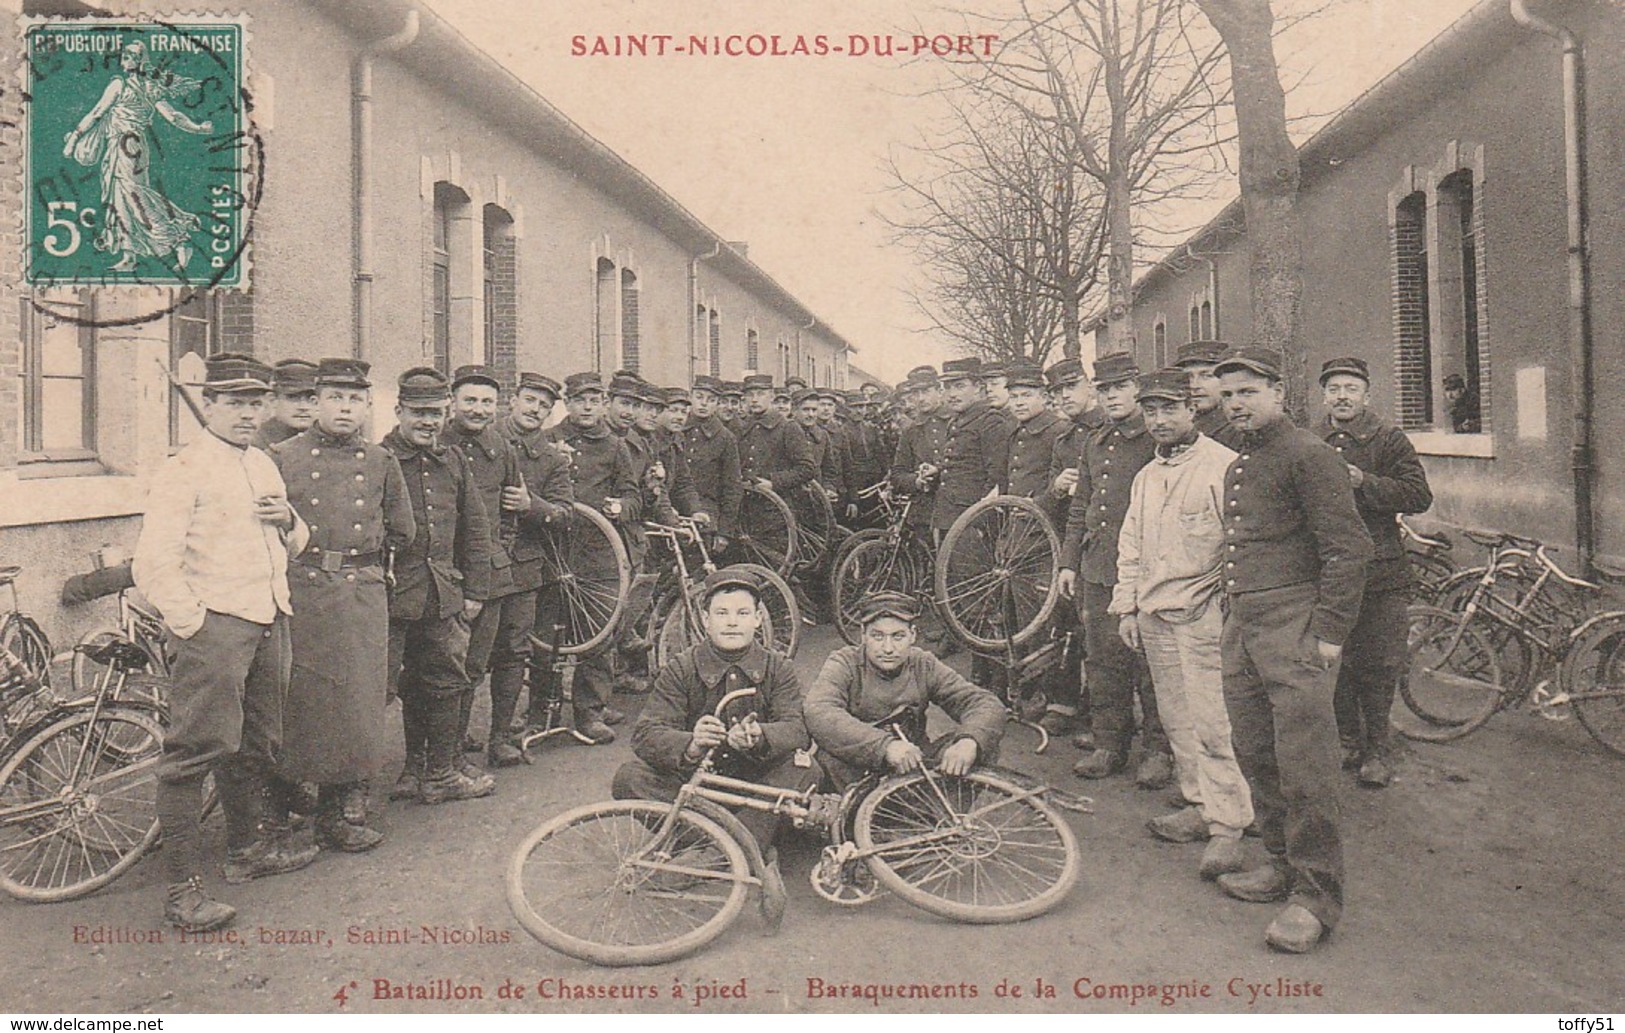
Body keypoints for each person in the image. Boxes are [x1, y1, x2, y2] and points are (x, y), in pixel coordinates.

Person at [134, 353, 317, 932]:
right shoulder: (183, 469)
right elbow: (152, 564)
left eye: (255, 402)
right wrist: (194, 623)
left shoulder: (263, 462)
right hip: (217, 625)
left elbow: (296, 544)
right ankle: (183, 892)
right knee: (194, 752)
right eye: (234, 402)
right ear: (208, 405)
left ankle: (246, 851)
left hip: (270, 618)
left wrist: (288, 519)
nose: (246, 413)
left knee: (256, 741)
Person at [1211, 346, 1373, 954]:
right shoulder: (1239, 463)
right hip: (1244, 625)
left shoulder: (1309, 455)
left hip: (1294, 625)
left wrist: (1329, 634)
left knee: (1306, 763)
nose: (1236, 404)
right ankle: (1280, 864)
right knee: (1255, 748)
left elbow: (1347, 550)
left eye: (1247, 392)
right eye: (1227, 395)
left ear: (1279, 393)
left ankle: (1315, 896)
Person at [1107, 369, 1252, 880]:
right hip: (1154, 616)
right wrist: (1127, 607)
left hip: (1204, 616)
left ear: (1193, 410)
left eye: (1170, 408)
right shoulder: (1147, 475)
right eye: (1151, 411)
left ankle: (1229, 826)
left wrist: (1221, 608)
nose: (1160, 420)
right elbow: (1131, 546)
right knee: (1176, 720)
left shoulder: (1222, 466)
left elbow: (1240, 546)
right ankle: (1198, 804)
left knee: (1215, 723)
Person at [269, 358, 415, 853]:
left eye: (354, 399)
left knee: (357, 703)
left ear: (367, 405)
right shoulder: (281, 456)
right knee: (299, 699)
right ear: (316, 403)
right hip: (300, 589)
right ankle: (286, 802)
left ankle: (340, 811)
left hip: (359, 591)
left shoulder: (380, 461)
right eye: (334, 398)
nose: (344, 408)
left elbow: (404, 529)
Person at [613, 567, 821, 889]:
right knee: (630, 778)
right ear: (705, 620)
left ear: (757, 620)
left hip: (758, 787)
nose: (732, 622)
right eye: (722, 613)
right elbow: (646, 733)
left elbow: (797, 729)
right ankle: (744, 847)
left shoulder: (778, 668)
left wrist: (760, 737)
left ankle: (713, 855)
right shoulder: (681, 668)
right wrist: (691, 743)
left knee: (805, 768)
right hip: (700, 791)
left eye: (742, 613)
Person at [380, 368, 497, 804]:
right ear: (399, 412)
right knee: (393, 687)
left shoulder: (452, 460)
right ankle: (412, 769)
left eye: (435, 413)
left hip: (442, 594)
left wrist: (474, 591)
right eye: (418, 413)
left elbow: (476, 529)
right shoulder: (379, 459)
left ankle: (441, 772)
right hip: (392, 597)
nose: (427, 421)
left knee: (447, 680)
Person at [1317, 357, 1433, 787]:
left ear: (1367, 395)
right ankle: (1347, 739)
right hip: (1330, 573)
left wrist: (1363, 481)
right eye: (1334, 389)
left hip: (1382, 571)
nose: (1342, 396)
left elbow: (1419, 495)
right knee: (1337, 658)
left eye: (1350, 388)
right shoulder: (1312, 440)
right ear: (1323, 396)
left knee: (1380, 661)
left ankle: (1378, 747)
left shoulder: (1388, 439)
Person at [1058, 352, 1170, 788]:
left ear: (1137, 388)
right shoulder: (1097, 441)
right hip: (1099, 567)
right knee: (1103, 659)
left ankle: (1158, 750)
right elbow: (1082, 507)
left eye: (1120, 387)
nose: (1112, 397)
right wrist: (1070, 562)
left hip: (1147, 569)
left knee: (1150, 663)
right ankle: (1110, 743)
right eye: (1104, 389)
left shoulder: (1156, 440)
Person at [804, 592, 1006, 792]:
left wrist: (969, 741)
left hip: (911, 764)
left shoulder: (923, 664)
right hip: (856, 767)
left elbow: (983, 702)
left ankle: (934, 817)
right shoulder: (845, 662)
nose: (888, 648)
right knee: (830, 758)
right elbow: (819, 710)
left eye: (898, 636)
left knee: (981, 744)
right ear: (863, 635)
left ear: (913, 635)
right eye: (878, 636)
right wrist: (885, 747)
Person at [445, 365, 540, 769]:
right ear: (453, 402)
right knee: (454, 664)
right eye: (470, 400)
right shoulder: (437, 440)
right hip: (445, 568)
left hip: (490, 569)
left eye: (486, 402)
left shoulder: (501, 447)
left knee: (497, 655)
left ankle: (500, 737)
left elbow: (511, 509)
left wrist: (498, 551)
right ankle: (447, 749)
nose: (478, 410)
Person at [544, 372, 640, 743]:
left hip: (599, 552)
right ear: (567, 404)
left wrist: (621, 507)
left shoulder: (616, 447)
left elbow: (634, 496)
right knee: (547, 632)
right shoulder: (550, 439)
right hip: (553, 550)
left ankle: (590, 712)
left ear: (603, 405)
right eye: (580, 400)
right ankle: (541, 712)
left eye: (594, 401)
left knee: (599, 634)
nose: (587, 407)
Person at [61, 40, 212, 272]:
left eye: (131, 55)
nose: (126, 58)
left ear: (141, 60)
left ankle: (179, 239)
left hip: (127, 146)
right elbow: (99, 113)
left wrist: (73, 139)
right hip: (128, 146)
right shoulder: (144, 87)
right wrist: (198, 128)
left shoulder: (125, 86)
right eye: (125, 54)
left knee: (133, 196)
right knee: (120, 198)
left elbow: (172, 116)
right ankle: (129, 255)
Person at [500, 372, 577, 733]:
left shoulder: (552, 458)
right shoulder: (484, 441)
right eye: (530, 400)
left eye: (544, 405)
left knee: (515, 652)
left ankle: (500, 735)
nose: (535, 409)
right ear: (514, 399)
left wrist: (532, 505)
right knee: (465, 656)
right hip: (477, 563)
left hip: (524, 567)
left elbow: (564, 513)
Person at [1039, 357, 1108, 741]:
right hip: (1070, 542)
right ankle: (1063, 702)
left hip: (1102, 543)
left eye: (1070, 387)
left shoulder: (1107, 431)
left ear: (1089, 387)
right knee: (1064, 623)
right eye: (1057, 391)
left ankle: (1103, 713)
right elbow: (1046, 500)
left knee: (1101, 634)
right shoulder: (1063, 439)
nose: (1064, 397)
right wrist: (1057, 488)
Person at [932, 357, 1009, 538]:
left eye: (959, 386)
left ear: (978, 388)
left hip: (972, 522)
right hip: (949, 517)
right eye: (948, 387)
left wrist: (981, 522)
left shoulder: (990, 421)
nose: (952, 394)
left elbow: (997, 476)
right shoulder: (956, 421)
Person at [735, 372, 817, 517]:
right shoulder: (741, 427)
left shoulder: (787, 428)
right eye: (750, 395)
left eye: (760, 394)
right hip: (744, 508)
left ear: (771, 396)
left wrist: (773, 482)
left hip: (778, 509)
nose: (754, 400)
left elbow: (807, 469)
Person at [681, 375, 744, 554]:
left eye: (711, 400)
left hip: (706, 515)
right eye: (699, 397)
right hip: (673, 512)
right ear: (691, 397)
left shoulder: (725, 438)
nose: (703, 404)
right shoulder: (677, 429)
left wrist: (724, 532)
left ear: (717, 404)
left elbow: (732, 488)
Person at [888, 370, 950, 537]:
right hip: (924, 513)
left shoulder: (956, 421)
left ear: (939, 391)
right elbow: (898, 474)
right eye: (916, 393)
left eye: (926, 391)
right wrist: (916, 481)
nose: (921, 398)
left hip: (955, 510)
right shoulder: (911, 431)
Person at [1173, 341, 1240, 449]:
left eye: (1206, 376)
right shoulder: (1174, 426)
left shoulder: (1237, 429)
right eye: (1188, 377)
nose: (1194, 385)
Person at [257, 359, 319, 448]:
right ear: (273, 400)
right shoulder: (257, 441)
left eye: (311, 399)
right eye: (293, 397)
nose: (303, 407)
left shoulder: (328, 441)